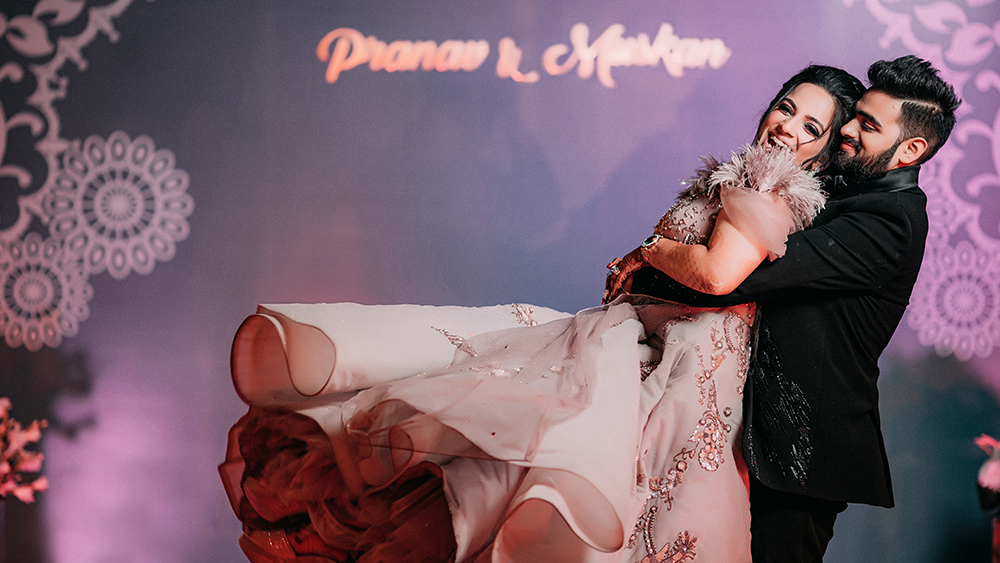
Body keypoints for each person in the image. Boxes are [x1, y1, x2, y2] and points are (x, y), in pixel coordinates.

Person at [218, 65, 863, 563]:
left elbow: (717, 275)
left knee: (579, 495)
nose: (789, 127)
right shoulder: (738, 177)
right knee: (496, 448)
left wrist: (649, 251)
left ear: (827, 150)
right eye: (787, 107)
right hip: (641, 350)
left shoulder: (772, 189)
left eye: (812, 127)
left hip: (682, 380)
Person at [623, 55, 960, 562]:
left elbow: (729, 281)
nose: (847, 130)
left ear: (911, 149)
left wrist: (647, 257)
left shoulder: (890, 221)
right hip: (744, 432)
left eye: (868, 125)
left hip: (800, 454)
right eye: (854, 116)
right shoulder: (842, 189)